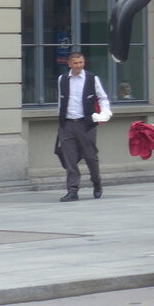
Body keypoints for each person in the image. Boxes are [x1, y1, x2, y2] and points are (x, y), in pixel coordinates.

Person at [56, 50, 111, 202]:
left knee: (90, 157)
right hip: (67, 123)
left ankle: (96, 182)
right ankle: (72, 190)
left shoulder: (92, 78)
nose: (78, 66)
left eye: (81, 63)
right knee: (70, 159)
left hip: (86, 123)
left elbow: (102, 97)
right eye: (75, 63)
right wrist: (61, 120)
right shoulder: (62, 79)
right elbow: (61, 101)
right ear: (69, 64)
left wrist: (105, 112)